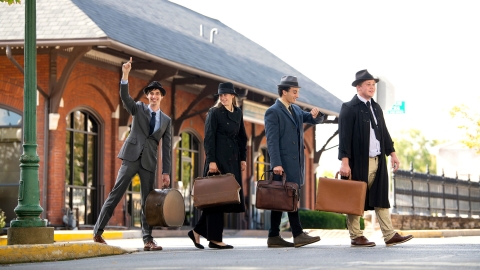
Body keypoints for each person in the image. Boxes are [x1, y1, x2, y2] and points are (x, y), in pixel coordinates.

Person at [93, 57, 172, 251]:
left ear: (162, 97)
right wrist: (125, 74)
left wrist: (166, 172)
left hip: (149, 163)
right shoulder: (138, 108)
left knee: (148, 202)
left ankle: (148, 239)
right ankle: (97, 231)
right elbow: (125, 97)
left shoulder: (167, 120)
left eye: (157, 94)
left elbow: (167, 148)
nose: (153, 96)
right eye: (151, 94)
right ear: (147, 97)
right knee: (116, 193)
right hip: (131, 157)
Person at [338, 69, 413, 247]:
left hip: (378, 161)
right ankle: (356, 236)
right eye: (368, 84)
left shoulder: (376, 107)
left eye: (373, 84)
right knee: (355, 198)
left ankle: (389, 235)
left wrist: (392, 153)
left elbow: (383, 133)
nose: (372, 88)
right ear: (358, 87)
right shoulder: (349, 108)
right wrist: (345, 162)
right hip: (358, 163)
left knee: (381, 197)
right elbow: (344, 137)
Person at [264, 75, 324, 248]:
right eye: (295, 92)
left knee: (282, 199)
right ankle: (297, 234)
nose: (297, 95)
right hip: (281, 165)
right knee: (286, 198)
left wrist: (316, 114)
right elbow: (272, 140)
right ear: (284, 92)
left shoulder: (296, 110)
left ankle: (274, 236)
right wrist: (276, 163)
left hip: (296, 165)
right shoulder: (273, 111)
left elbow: (314, 119)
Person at [188, 82, 248, 250]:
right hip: (218, 161)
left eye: (226, 95)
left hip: (233, 161)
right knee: (216, 200)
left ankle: (197, 231)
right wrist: (212, 161)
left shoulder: (238, 113)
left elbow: (242, 138)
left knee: (222, 199)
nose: (223, 97)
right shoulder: (214, 113)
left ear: (233, 96)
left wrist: (243, 158)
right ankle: (215, 239)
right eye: (221, 95)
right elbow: (209, 138)